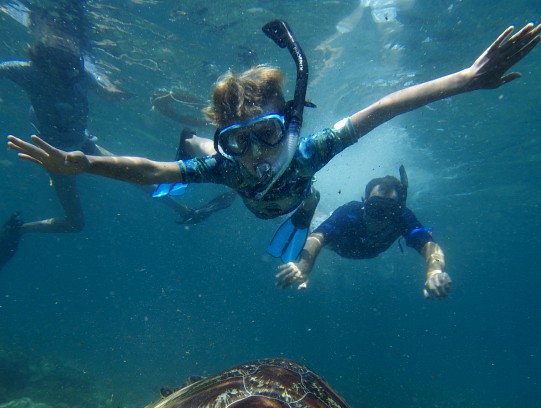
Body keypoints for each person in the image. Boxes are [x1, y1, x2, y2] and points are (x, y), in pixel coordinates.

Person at [6, 20, 540, 264]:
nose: (257, 154)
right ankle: (192, 136)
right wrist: (84, 162)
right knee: (198, 155)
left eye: (265, 135)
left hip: (287, 200)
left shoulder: (310, 150)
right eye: (240, 142)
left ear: (286, 124)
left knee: (308, 197)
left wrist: (467, 79)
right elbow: (149, 171)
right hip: (232, 182)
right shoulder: (230, 166)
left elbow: (381, 108)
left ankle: (296, 212)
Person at [0, 1, 235, 270]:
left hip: (85, 143)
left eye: (69, 56)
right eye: (58, 55)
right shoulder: (28, 71)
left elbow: (104, 90)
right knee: (75, 223)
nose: (65, 66)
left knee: (144, 178)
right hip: (56, 157)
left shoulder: (77, 71)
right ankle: (21, 230)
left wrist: (114, 92)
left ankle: (185, 212)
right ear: (43, 52)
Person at [276, 167, 452, 299]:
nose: (381, 217)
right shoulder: (350, 213)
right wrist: (303, 267)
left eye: (389, 209)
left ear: (398, 210)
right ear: (364, 203)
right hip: (336, 242)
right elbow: (317, 238)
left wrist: (434, 272)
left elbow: (430, 245)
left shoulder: (402, 218)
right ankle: (307, 203)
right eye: (375, 207)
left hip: (361, 248)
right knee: (315, 224)